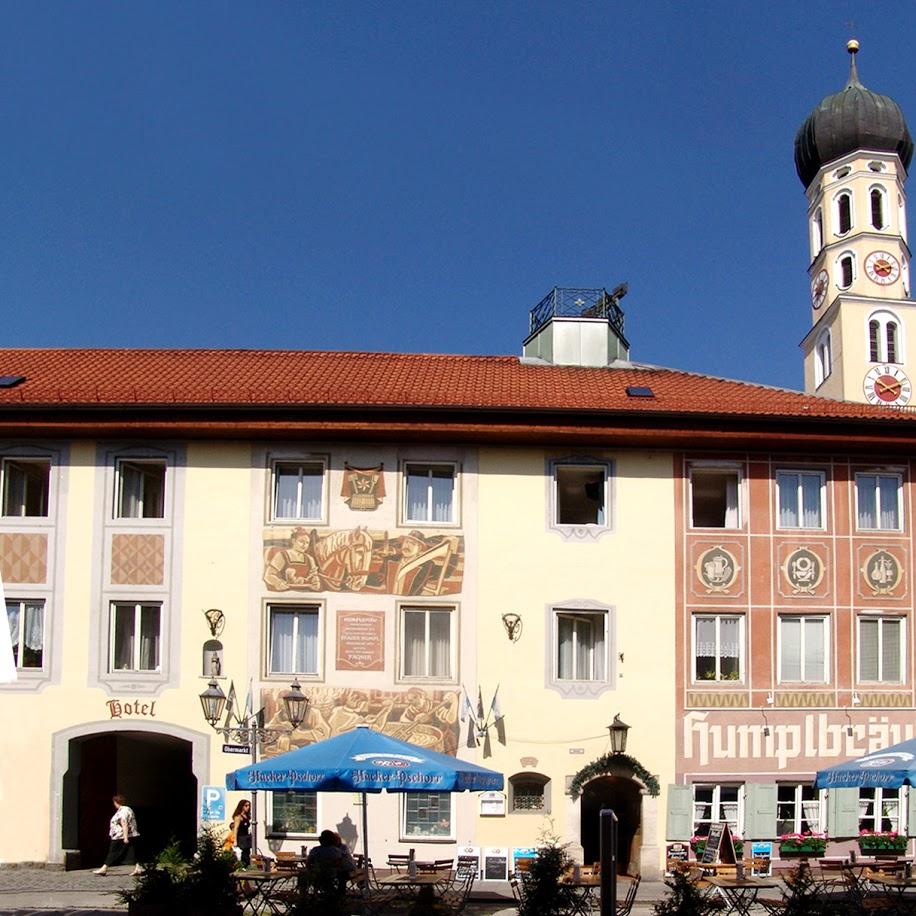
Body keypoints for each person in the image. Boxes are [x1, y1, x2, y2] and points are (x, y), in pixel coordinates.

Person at [94, 795, 141, 876]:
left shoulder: (123, 811)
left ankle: (104, 868)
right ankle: (138, 868)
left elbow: (124, 823)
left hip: (121, 835)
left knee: (113, 852)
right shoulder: (128, 809)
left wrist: (125, 838)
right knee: (132, 851)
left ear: (116, 802)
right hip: (131, 834)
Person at [306, 829, 354, 894]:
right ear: (332, 840)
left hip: (318, 875)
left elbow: (308, 863)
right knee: (340, 877)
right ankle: (338, 894)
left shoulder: (315, 850)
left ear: (321, 840)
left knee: (303, 875)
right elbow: (340, 864)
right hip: (332, 875)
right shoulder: (337, 851)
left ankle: (304, 894)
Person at [230, 799, 252, 866]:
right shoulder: (238, 817)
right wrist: (235, 840)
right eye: (246, 806)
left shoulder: (246, 816)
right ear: (242, 806)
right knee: (243, 854)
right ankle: (243, 866)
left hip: (246, 837)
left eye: (249, 806)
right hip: (241, 837)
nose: (248, 807)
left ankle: (246, 866)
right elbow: (236, 828)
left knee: (247, 853)